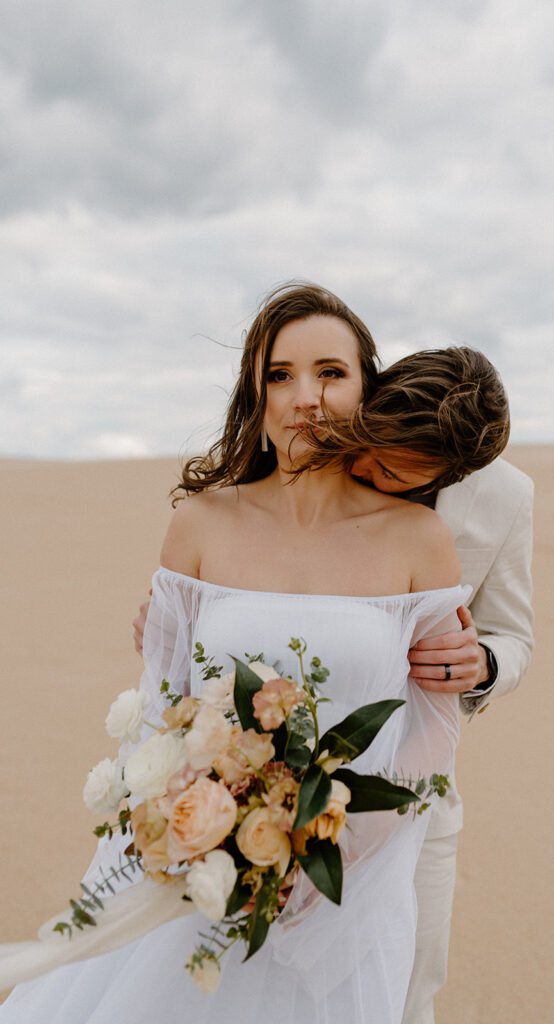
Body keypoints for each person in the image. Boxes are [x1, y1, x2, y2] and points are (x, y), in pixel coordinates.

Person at [0, 283, 490, 1023]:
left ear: (367, 388)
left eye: (331, 372)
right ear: (255, 397)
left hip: (351, 883)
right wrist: (202, 837)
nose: (307, 398)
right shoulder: (200, 524)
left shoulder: (418, 539)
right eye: (280, 375)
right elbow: (163, 711)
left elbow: (429, 732)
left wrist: (331, 850)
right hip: (207, 869)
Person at [131, 339, 534, 1024]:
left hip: (408, 803)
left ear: (456, 473)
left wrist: (485, 664)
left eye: (394, 472)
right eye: (369, 448)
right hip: (250, 794)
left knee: (400, 993)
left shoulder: (506, 499)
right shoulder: (324, 445)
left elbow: (513, 631)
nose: (366, 469)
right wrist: (186, 626)